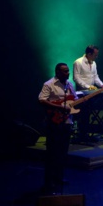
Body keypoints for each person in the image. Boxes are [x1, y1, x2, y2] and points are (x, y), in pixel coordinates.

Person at [38, 63, 77, 195]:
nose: (68, 73)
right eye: (65, 71)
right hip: (54, 122)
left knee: (63, 152)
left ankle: (59, 178)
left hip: (67, 122)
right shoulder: (49, 84)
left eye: (68, 71)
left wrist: (76, 103)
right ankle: (49, 182)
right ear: (58, 72)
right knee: (52, 153)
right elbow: (42, 100)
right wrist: (60, 107)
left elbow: (74, 99)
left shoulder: (69, 84)